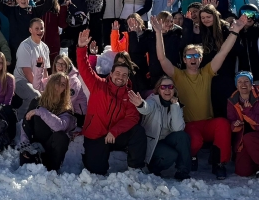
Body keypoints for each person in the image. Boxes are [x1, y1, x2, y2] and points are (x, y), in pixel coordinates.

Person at [154, 15, 247, 179]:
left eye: (196, 56)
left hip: (208, 123)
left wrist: (235, 32)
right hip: (190, 125)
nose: (193, 59)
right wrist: (158, 34)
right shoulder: (178, 76)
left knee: (223, 124)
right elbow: (162, 59)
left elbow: (223, 52)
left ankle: (219, 163)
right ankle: (192, 156)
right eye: (189, 56)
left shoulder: (207, 72)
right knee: (193, 140)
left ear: (201, 59)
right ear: (184, 59)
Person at [74, 29, 146, 176]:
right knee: (96, 171)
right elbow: (84, 69)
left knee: (138, 132)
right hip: (96, 135)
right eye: (118, 73)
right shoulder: (98, 85)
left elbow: (132, 118)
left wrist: (115, 131)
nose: (120, 77)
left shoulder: (129, 94)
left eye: (124, 75)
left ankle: (135, 169)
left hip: (115, 135)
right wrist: (82, 49)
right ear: (111, 73)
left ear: (128, 78)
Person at [131, 76, 190, 180]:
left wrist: (175, 106)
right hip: (153, 142)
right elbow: (146, 108)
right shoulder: (153, 100)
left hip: (166, 140)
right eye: (163, 87)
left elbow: (178, 128)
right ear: (158, 89)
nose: (167, 90)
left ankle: (183, 171)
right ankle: (153, 168)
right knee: (171, 155)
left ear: (174, 89)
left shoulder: (176, 104)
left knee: (182, 136)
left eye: (170, 86)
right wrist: (140, 104)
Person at [226, 72, 259, 179]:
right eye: (240, 82)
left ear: (251, 84)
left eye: (246, 81)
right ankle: (256, 160)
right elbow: (231, 124)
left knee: (249, 138)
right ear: (236, 85)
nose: (243, 84)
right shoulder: (232, 100)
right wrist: (236, 125)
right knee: (242, 171)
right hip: (243, 140)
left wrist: (246, 112)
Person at [23, 72, 78, 172]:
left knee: (61, 137)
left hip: (52, 147)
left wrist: (41, 112)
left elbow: (60, 126)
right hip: (37, 145)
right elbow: (26, 124)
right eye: (57, 82)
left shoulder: (66, 108)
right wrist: (25, 144)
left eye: (63, 84)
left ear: (65, 89)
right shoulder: (37, 101)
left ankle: (53, 169)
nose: (59, 86)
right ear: (51, 83)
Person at [14, 18, 51, 121]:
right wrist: (39, 88)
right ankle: (19, 119)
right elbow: (27, 72)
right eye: (37, 28)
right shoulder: (25, 46)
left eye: (42, 28)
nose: (40, 31)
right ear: (30, 30)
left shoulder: (45, 47)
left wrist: (46, 88)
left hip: (36, 82)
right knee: (35, 95)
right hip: (20, 80)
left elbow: (45, 71)